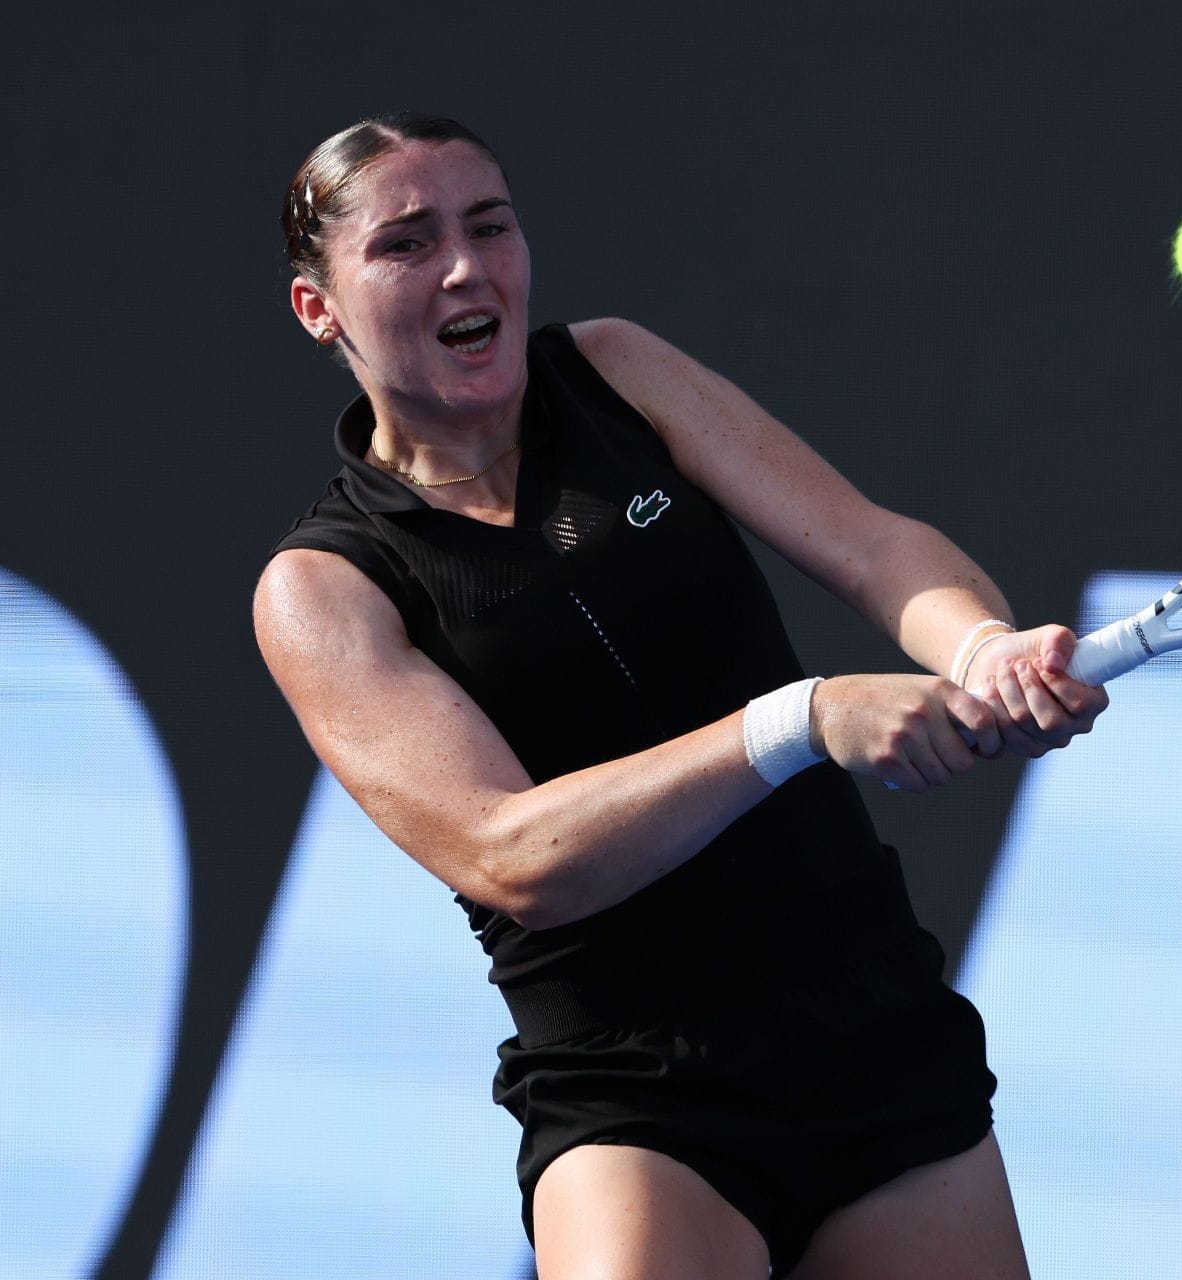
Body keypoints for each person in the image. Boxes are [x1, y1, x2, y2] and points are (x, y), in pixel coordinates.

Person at [253, 113, 1107, 1280]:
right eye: (406, 243)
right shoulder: (324, 588)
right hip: (635, 1095)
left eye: (489, 224)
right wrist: (800, 719)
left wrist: (983, 646)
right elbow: (511, 854)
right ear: (320, 307)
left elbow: (869, 546)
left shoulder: (615, 372)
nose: (467, 265)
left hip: (868, 1023)